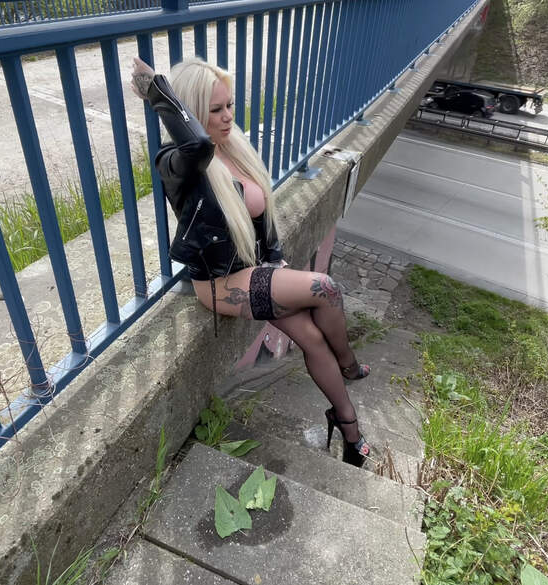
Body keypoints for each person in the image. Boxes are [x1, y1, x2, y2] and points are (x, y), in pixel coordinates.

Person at [131, 57, 372, 467]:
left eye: (229, 105)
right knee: (325, 288)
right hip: (220, 283)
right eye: (215, 109)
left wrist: (276, 262)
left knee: (313, 338)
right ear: (192, 110)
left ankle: (348, 428)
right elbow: (196, 145)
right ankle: (347, 366)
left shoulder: (234, 148)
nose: (228, 116)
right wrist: (157, 91)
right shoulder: (175, 161)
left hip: (257, 271)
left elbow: (265, 221)